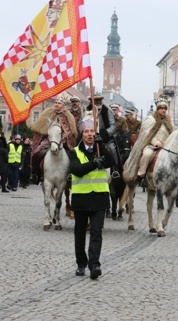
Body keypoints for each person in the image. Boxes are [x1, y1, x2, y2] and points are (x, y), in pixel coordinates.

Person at [69, 115, 112, 280]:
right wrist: (94, 163)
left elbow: (111, 161)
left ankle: (94, 264)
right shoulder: (74, 152)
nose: (89, 134)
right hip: (81, 198)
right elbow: (77, 170)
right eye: (86, 131)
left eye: (92, 131)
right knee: (80, 233)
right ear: (82, 134)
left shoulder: (100, 148)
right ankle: (81, 263)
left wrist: (103, 145)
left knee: (96, 232)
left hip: (99, 197)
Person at [123, 99, 173, 190]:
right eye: (161, 108)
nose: (163, 110)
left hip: (166, 146)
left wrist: (167, 143)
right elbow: (147, 134)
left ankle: (177, 178)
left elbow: (172, 134)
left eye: (165, 108)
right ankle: (142, 175)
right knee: (146, 154)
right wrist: (156, 143)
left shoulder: (169, 122)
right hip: (152, 145)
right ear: (157, 109)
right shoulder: (150, 120)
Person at [30, 97, 77, 185]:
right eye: (56, 102)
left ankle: (70, 175)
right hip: (48, 140)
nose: (57, 104)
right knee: (37, 153)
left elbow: (69, 131)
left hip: (63, 141)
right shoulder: (47, 114)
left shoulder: (68, 116)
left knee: (72, 155)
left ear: (63, 106)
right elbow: (41, 128)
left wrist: (62, 138)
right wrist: (49, 138)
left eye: (59, 103)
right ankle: (36, 174)